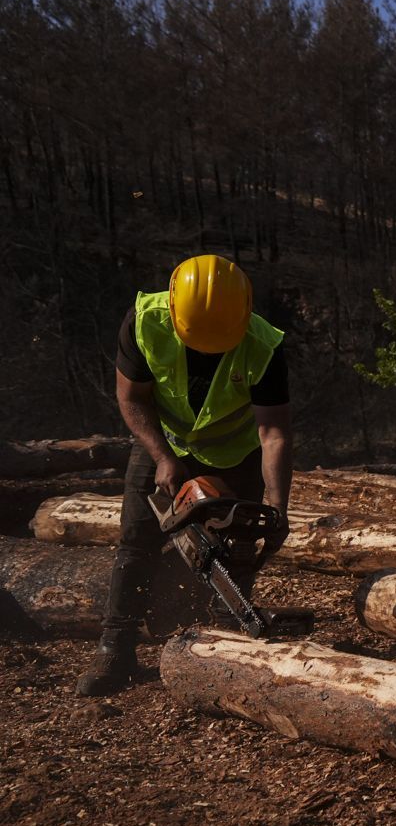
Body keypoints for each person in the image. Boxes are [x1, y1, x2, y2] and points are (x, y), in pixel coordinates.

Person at [76, 254, 293, 696]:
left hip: (236, 452)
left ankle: (227, 642)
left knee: (238, 544)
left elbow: (272, 433)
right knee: (137, 542)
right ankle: (114, 648)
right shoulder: (145, 321)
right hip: (166, 441)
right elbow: (132, 399)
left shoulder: (263, 345)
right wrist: (161, 455)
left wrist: (277, 506)